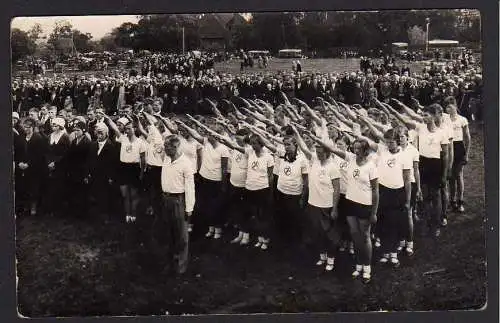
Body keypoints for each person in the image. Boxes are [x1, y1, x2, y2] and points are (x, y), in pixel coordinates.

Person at [155, 134, 195, 275]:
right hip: (166, 199)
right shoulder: (166, 158)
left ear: (176, 147)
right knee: (167, 233)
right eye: (165, 146)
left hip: (179, 201)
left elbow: (190, 187)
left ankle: (180, 267)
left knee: (181, 236)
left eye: (168, 147)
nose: (165, 149)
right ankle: (169, 262)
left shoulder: (186, 163)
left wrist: (189, 208)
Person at [85, 122, 120, 223]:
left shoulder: (111, 146)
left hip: (105, 176)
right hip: (94, 175)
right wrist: (88, 173)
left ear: (106, 134)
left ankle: (105, 216)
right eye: (97, 133)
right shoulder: (93, 145)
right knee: (95, 194)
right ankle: (95, 216)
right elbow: (89, 160)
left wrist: (111, 177)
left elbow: (113, 164)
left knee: (105, 196)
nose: (99, 135)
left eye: (101, 133)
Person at [445, 98, 470, 213]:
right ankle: (452, 200)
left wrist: (467, 154)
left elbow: (467, 138)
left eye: (449, 106)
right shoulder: (444, 119)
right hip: (449, 147)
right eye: (446, 107)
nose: (447, 108)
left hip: (459, 147)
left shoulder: (462, 119)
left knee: (459, 175)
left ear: (455, 106)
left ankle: (460, 201)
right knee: (450, 176)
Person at [44, 117, 71, 217]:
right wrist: (49, 162)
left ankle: (58, 210)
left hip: (60, 166)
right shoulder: (50, 136)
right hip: (50, 165)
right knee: (50, 186)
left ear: (60, 126)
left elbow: (66, 153)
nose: (53, 127)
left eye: (55, 125)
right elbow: (46, 151)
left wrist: (55, 163)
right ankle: (50, 208)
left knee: (59, 187)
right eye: (52, 125)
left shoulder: (65, 137)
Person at [65, 119, 92, 219]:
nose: (76, 132)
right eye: (75, 130)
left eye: (78, 130)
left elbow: (89, 160)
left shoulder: (87, 143)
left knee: (82, 192)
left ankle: (83, 214)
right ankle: (74, 212)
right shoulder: (74, 141)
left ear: (84, 131)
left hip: (82, 171)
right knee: (74, 191)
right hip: (73, 170)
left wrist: (86, 174)